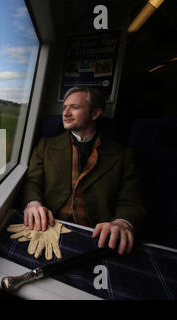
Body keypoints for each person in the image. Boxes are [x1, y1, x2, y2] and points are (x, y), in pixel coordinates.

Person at [22, 86, 146, 255]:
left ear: (95, 114)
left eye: (74, 107)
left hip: (97, 236)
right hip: (49, 226)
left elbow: (131, 201)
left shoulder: (123, 156)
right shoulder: (45, 145)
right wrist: (33, 203)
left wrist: (121, 223)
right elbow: (32, 182)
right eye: (64, 107)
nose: (65, 113)